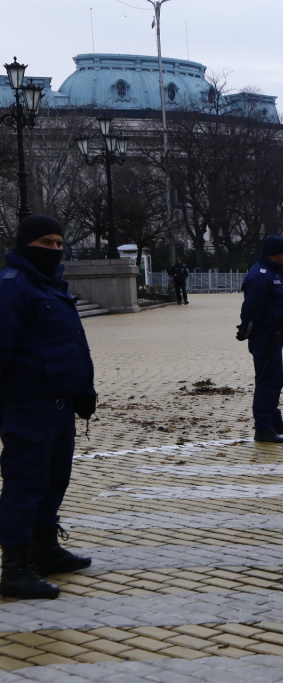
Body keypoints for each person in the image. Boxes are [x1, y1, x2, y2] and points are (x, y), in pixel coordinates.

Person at [0, 214, 96, 600]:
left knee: (54, 481)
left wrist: (83, 388)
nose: (55, 250)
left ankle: (44, 549)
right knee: (25, 485)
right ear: (26, 246)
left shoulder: (53, 286)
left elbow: (71, 343)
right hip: (28, 404)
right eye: (46, 244)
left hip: (59, 403)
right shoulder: (13, 288)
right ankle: (15, 566)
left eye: (59, 243)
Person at [236, 235, 283, 444]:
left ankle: (273, 420)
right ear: (275, 253)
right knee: (266, 382)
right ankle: (263, 428)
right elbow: (251, 309)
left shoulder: (271, 272)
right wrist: (248, 331)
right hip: (265, 337)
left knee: (275, 380)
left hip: (274, 335)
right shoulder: (260, 276)